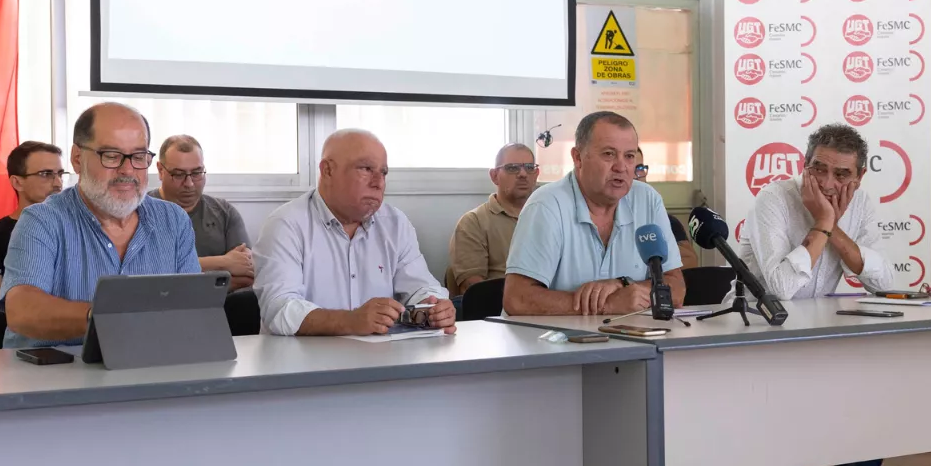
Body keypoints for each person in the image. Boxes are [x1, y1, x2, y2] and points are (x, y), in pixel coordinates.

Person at [739, 123, 893, 466]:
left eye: (841, 174)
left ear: (859, 178)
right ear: (804, 165)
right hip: (757, 327)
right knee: (804, 380)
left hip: (816, 326)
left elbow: (882, 280)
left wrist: (834, 226)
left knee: (878, 373)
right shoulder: (773, 199)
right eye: (818, 169)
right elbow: (780, 290)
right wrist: (822, 221)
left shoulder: (861, 204)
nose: (826, 182)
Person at [0, 102, 200, 348]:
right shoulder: (41, 221)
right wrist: (109, 317)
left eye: (138, 157)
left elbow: (193, 307)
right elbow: (23, 311)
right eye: (111, 156)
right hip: (56, 375)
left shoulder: (173, 221)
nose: (127, 170)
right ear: (76, 158)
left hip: (148, 368)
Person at [254, 129, 456, 336]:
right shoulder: (286, 224)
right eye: (366, 169)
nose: (378, 183)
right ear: (328, 170)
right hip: (302, 361)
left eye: (384, 172)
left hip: (380, 359)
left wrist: (433, 307)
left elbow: (420, 287)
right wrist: (350, 321)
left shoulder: (395, 224)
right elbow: (279, 309)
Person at [504, 112, 685, 315]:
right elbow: (517, 299)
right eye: (608, 154)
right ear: (578, 157)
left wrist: (625, 286)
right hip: (550, 342)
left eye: (629, 156)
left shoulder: (647, 200)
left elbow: (676, 287)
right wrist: (607, 305)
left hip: (627, 338)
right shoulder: (546, 205)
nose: (621, 167)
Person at [150, 135, 254, 290]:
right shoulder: (141, 212)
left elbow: (246, 274)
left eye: (197, 173)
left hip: (220, 308)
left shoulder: (224, 212)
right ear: (160, 170)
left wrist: (179, 276)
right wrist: (224, 262)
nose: (189, 184)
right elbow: (148, 275)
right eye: (178, 174)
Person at [0, 141, 65, 308]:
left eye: (60, 174)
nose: (58, 183)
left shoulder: (77, 229)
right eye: (46, 174)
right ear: (17, 182)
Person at [445, 143, 537, 295]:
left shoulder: (549, 217)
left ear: (536, 173)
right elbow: (475, 292)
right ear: (494, 176)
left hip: (554, 308)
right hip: (500, 313)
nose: (523, 174)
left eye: (529, 167)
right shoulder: (473, 222)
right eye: (512, 168)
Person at [634, 147, 698, 269]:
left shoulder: (667, 221)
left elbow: (690, 260)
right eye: (629, 169)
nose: (636, 176)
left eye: (640, 168)